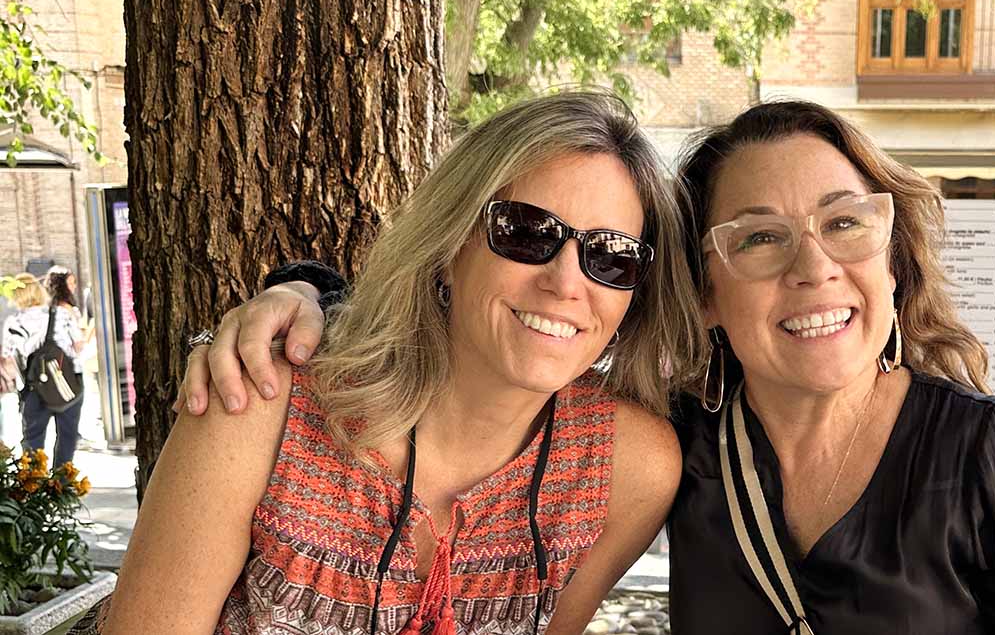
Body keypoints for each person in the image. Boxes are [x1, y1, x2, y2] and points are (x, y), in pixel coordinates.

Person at [180, 100, 995, 634]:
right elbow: (491, 340)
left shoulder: (987, 455)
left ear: (891, 260)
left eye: (845, 223)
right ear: (706, 293)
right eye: (758, 237)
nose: (814, 267)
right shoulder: (680, 443)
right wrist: (309, 296)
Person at [98, 92, 705, 634]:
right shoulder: (260, 400)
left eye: (613, 256)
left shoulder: (625, 469)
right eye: (525, 232)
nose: (567, 282)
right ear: (449, 246)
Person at [1, 271, 87, 467]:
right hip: (68, 384)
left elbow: (9, 362)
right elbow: (78, 345)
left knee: (32, 440)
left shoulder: (14, 323)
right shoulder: (61, 314)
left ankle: (34, 481)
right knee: (67, 436)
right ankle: (62, 480)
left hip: (34, 389)